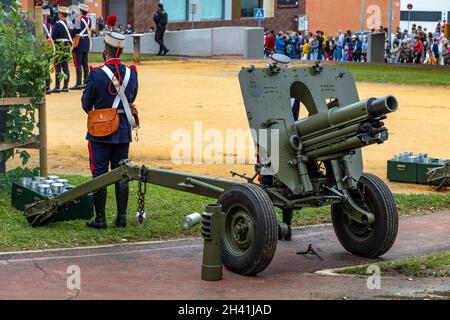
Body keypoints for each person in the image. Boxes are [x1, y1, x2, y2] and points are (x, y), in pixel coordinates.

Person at [82, 32, 139, 229]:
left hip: (100, 131)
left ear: (105, 50)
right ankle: (121, 218)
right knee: (121, 173)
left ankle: (100, 219)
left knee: (99, 174)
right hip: (122, 130)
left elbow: (85, 104)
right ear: (121, 50)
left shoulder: (96, 74)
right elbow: (132, 97)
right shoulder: (132, 73)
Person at [50, 6, 72, 93]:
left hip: (59, 46)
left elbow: (53, 36)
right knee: (65, 66)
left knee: (58, 66)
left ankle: (58, 87)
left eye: (59, 13)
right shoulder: (69, 23)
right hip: (66, 46)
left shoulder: (58, 24)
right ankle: (65, 86)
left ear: (61, 14)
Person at [70, 3, 92, 90]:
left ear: (80, 11)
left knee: (78, 63)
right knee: (85, 63)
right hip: (86, 43)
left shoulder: (77, 20)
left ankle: (79, 83)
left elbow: (74, 31)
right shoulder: (89, 20)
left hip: (79, 43)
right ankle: (86, 82)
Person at [42, 8, 54, 94]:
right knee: (47, 67)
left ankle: (44, 87)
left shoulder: (41, 25)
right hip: (48, 48)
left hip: (42, 47)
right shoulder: (50, 26)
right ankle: (48, 86)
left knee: (43, 67)